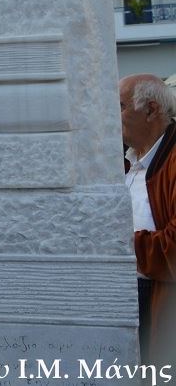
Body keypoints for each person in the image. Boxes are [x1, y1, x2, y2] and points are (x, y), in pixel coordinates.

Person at [119, 74, 176, 365]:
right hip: (127, 296)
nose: (113, 116)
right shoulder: (127, 161)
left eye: (120, 106)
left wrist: (116, 247)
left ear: (151, 110)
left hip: (160, 305)